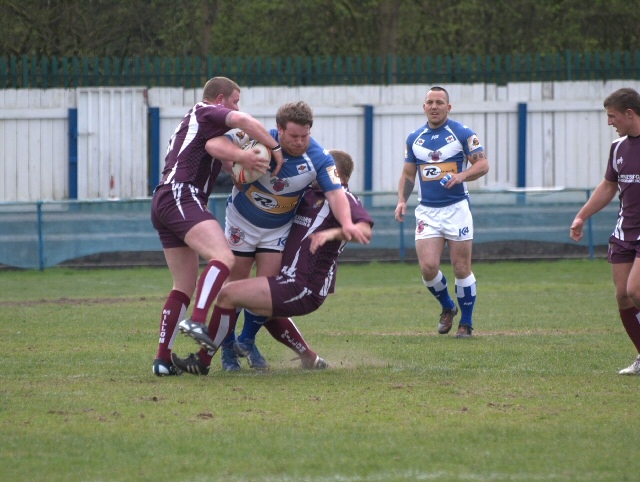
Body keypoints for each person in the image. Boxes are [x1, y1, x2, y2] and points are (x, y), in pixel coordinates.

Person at [179, 102, 368, 372]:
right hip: (241, 223)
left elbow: (337, 193)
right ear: (279, 130)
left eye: (305, 135)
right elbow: (212, 145)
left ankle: (248, 340)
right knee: (234, 288)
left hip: (277, 231)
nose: (300, 142)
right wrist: (239, 157)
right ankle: (228, 352)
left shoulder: (320, 158)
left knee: (268, 288)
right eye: (293, 136)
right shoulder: (255, 138)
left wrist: (347, 222)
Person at [151, 76, 284, 376]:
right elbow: (241, 119)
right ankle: (197, 319)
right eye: (235, 99)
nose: (237, 106)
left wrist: (241, 159)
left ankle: (162, 361)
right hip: (181, 195)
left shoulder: (202, 130)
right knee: (223, 257)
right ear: (221, 99)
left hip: (166, 198)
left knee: (182, 286)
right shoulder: (204, 110)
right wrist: (273, 147)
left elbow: (218, 153)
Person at [394, 86, 489, 338]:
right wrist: (402, 200)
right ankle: (448, 306)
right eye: (429, 102)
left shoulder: (462, 133)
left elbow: (482, 164)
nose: (434, 106)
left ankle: (466, 324)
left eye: (439, 102)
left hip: (457, 209)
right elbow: (407, 174)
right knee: (428, 267)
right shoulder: (414, 138)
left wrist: (461, 176)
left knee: (461, 267)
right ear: (423, 107)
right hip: (427, 211)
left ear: (449, 107)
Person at [570, 87, 640, 375]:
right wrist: (581, 216)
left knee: (636, 290)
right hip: (625, 231)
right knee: (622, 296)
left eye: (612, 117)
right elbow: (608, 187)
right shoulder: (618, 148)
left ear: (629, 113)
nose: (609, 122)